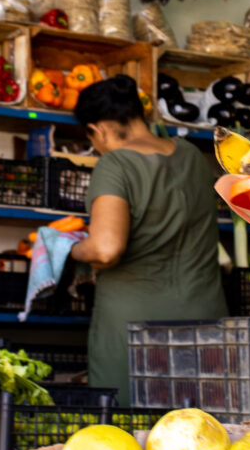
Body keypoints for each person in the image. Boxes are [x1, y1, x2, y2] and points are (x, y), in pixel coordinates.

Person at [71, 74, 228, 404]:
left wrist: (69, 249)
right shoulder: (194, 158)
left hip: (136, 331)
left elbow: (106, 248)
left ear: (98, 129)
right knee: (200, 435)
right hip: (206, 321)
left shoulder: (115, 164)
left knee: (134, 436)